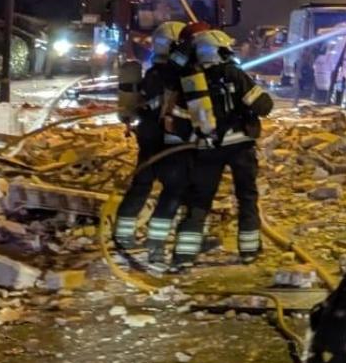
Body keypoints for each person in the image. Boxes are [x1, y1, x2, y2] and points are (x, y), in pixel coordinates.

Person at [170, 28, 272, 272]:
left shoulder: (192, 82)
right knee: (246, 197)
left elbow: (181, 122)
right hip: (240, 148)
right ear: (218, 50)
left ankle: (184, 255)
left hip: (208, 149)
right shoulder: (235, 74)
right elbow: (264, 106)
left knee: (199, 201)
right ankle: (249, 251)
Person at [112, 20, 193, 262]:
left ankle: (122, 235)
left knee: (141, 185)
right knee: (173, 191)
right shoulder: (171, 74)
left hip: (148, 137)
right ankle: (155, 243)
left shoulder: (152, 73)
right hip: (169, 141)